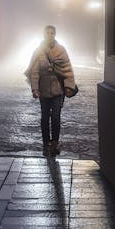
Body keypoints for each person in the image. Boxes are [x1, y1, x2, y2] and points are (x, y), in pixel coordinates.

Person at [25, 25, 76, 156]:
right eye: (47, 33)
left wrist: (69, 86)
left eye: (52, 33)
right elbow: (34, 72)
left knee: (56, 117)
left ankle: (55, 143)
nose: (50, 35)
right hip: (43, 90)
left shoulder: (61, 50)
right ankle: (46, 143)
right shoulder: (38, 51)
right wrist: (35, 89)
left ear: (55, 34)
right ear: (43, 35)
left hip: (58, 90)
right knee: (44, 117)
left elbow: (67, 69)